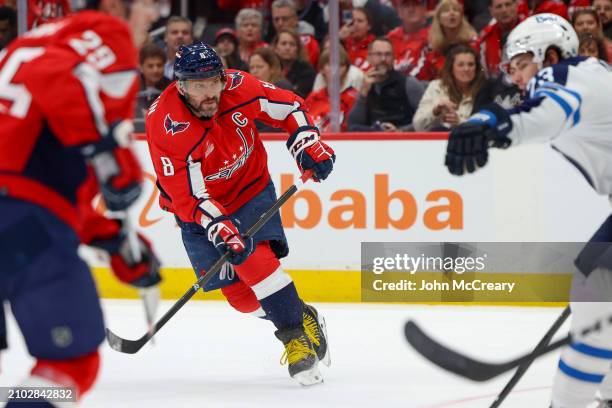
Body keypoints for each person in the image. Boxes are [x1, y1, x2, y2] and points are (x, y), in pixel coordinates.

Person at [442, 13, 612, 407]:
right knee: (595, 288)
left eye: (521, 64)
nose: (516, 78)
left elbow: (547, 113)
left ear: (550, 55)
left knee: (595, 304)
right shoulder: (593, 74)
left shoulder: (567, 74)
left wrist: (488, 125)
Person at [144, 42, 334, 385]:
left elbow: (289, 106)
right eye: (198, 86)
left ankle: (294, 338)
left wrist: (306, 141)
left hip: (250, 189)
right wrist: (216, 224)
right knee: (242, 299)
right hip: (197, 208)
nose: (209, 93)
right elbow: (186, 195)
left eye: (213, 82)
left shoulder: (239, 87)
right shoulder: (165, 123)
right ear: (181, 86)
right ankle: (301, 313)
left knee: (255, 260)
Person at [0, 7, 162, 406]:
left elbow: (43, 177)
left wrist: (108, 235)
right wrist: (108, 155)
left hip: (23, 209)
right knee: (71, 364)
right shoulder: (106, 31)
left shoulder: (42, 38)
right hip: (18, 216)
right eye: (147, 2)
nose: (155, 11)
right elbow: (53, 72)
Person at [348, 37, 426, 132]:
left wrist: (400, 131)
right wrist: (363, 93)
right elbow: (353, 125)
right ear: (369, 58)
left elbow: (426, 119)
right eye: (378, 54)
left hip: (403, 138)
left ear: (394, 58)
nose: (383, 59)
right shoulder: (365, 83)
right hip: (373, 137)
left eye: (388, 54)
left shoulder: (408, 83)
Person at [413, 44, 485, 131]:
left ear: (476, 68)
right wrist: (435, 112)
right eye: (460, 65)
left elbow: (486, 127)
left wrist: (460, 122)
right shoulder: (436, 87)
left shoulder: (484, 90)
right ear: (451, 68)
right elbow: (417, 126)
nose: (466, 69)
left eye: (471, 64)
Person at [305, 48, 360, 132]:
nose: (335, 70)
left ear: (347, 69)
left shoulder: (353, 98)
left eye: (340, 65)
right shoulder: (313, 97)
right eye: (330, 64)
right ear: (322, 69)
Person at [424, 0, 477, 79]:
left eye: (455, 10)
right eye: (446, 11)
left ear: (461, 17)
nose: (452, 13)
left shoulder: (473, 43)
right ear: (439, 18)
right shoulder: (432, 48)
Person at [477, 0, 524, 78]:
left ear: (516, 5)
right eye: (499, 6)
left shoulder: (530, 29)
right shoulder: (485, 38)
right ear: (491, 11)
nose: (504, 10)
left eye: (508, 4)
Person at [387, 0, 432, 80]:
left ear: (424, 9)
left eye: (416, 4)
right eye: (406, 6)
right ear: (399, 11)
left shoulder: (433, 37)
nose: (411, 10)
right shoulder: (391, 38)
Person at [269, 0, 320, 67]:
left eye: (285, 19)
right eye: (276, 19)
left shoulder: (308, 42)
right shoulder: (272, 40)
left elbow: (307, 67)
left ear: (295, 19)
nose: (280, 23)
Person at [273, 29, 317, 98]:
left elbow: (301, 97)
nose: (287, 48)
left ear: (297, 48)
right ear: (276, 48)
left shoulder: (307, 71)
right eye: (283, 43)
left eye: (292, 44)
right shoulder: (270, 67)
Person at [340, 7, 376, 71]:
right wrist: (339, 39)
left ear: (369, 26)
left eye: (360, 21)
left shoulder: (375, 46)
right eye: (352, 21)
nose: (355, 24)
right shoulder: (343, 42)